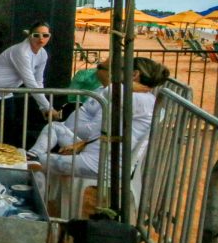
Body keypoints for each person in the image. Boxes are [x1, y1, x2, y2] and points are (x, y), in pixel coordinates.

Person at [28, 57, 169, 179]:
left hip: (100, 164)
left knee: (33, 163)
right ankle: (31, 155)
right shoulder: (141, 98)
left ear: (134, 74)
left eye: (122, 70)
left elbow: (109, 91)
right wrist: (84, 143)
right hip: (95, 153)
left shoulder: (141, 100)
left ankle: (29, 165)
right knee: (55, 129)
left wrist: (128, 84)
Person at [0, 21, 63, 146]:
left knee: (6, 130)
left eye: (45, 35)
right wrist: (48, 107)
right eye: (36, 35)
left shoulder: (42, 54)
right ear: (30, 35)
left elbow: (38, 81)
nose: (41, 39)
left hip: (5, 93)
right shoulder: (21, 51)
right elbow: (30, 82)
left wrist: (43, 107)